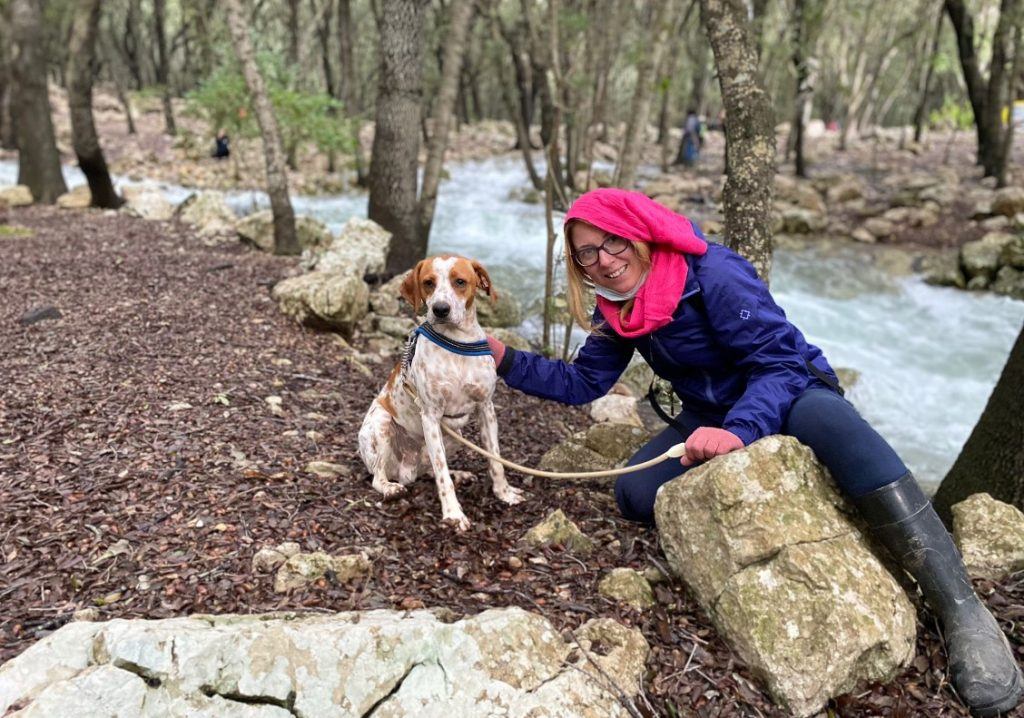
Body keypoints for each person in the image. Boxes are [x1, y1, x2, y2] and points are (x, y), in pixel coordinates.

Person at [486, 188, 1022, 717]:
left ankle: (960, 608)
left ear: (641, 234)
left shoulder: (713, 273)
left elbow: (779, 363)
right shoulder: (620, 307)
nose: (605, 261)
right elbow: (584, 381)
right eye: (588, 252)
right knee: (634, 493)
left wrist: (739, 432)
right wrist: (503, 358)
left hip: (784, 389)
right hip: (710, 411)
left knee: (831, 421)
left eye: (614, 242)